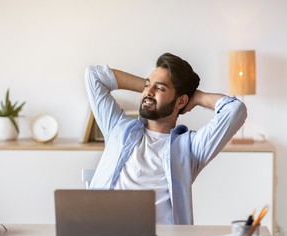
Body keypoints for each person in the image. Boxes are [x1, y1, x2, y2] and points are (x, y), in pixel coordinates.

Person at [84, 52, 247, 225]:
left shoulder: (191, 148)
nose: (148, 93)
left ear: (181, 101)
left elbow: (235, 110)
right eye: (148, 86)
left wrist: (196, 97)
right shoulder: (117, 128)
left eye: (160, 88)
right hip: (104, 231)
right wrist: (150, 88)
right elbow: (93, 75)